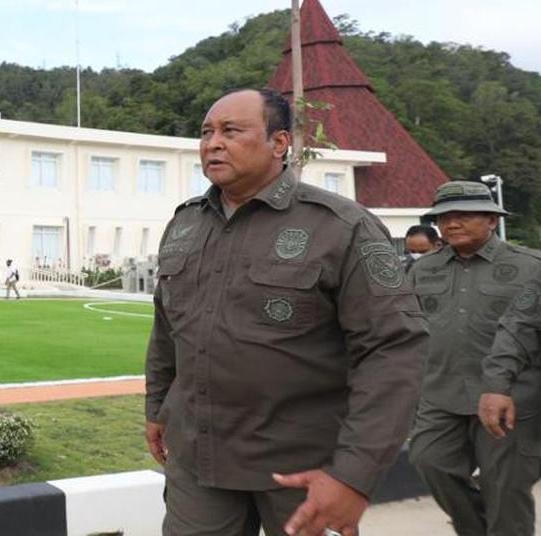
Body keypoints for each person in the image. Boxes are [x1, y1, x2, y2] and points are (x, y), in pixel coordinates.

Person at [144, 88, 428, 536]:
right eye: (206, 132)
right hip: (201, 458)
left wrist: (355, 472)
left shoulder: (341, 226)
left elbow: (394, 349)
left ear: (279, 144)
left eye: (231, 131)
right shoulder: (185, 224)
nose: (212, 143)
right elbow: (167, 328)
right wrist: (158, 408)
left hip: (303, 467)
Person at [408, 181, 541, 536]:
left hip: (512, 398)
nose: (451, 224)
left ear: (492, 221)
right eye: (444, 217)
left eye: (464, 216)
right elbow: (409, 329)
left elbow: (527, 331)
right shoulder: (423, 270)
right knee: (429, 461)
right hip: (441, 394)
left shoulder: (531, 268)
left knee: (505, 490)